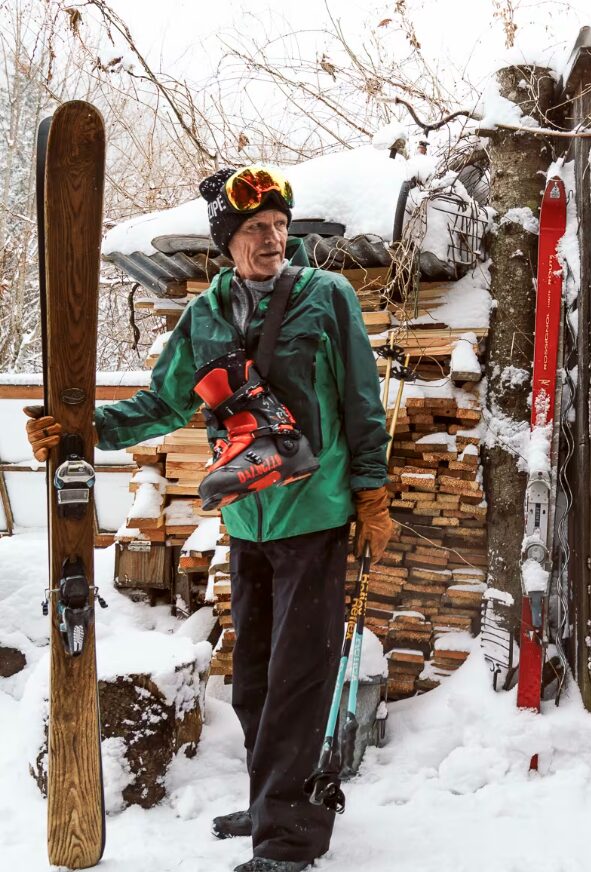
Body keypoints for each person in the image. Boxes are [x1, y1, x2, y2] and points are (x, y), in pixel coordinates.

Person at [25, 166, 393, 872]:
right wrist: (82, 431)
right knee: (251, 678)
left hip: (314, 514)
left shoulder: (326, 296)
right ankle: (267, 799)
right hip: (248, 522)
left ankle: (288, 839)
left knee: (297, 680)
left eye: (279, 226)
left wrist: (371, 495)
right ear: (227, 240)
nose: (272, 239)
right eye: (255, 228)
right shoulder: (204, 316)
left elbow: (361, 401)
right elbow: (162, 405)